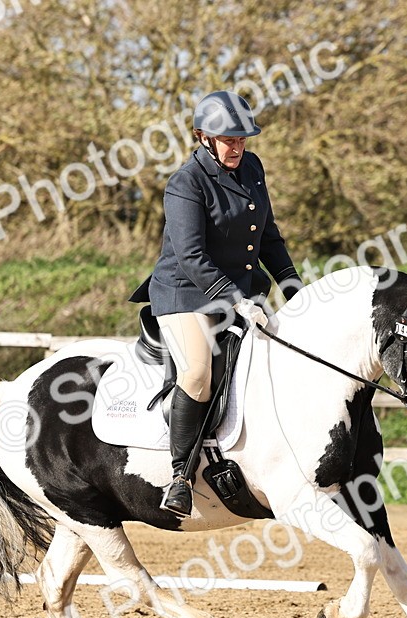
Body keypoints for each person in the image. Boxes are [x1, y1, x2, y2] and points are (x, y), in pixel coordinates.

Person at [128, 90, 304, 517]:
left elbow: (267, 235)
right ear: (203, 137)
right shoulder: (185, 182)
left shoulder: (253, 168)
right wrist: (238, 300)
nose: (237, 147)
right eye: (228, 140)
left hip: (242, 290)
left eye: (242, 139)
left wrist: (291, 283)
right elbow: (191, 257)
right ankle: (180, 477)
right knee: (198, 373)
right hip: (184, 293)